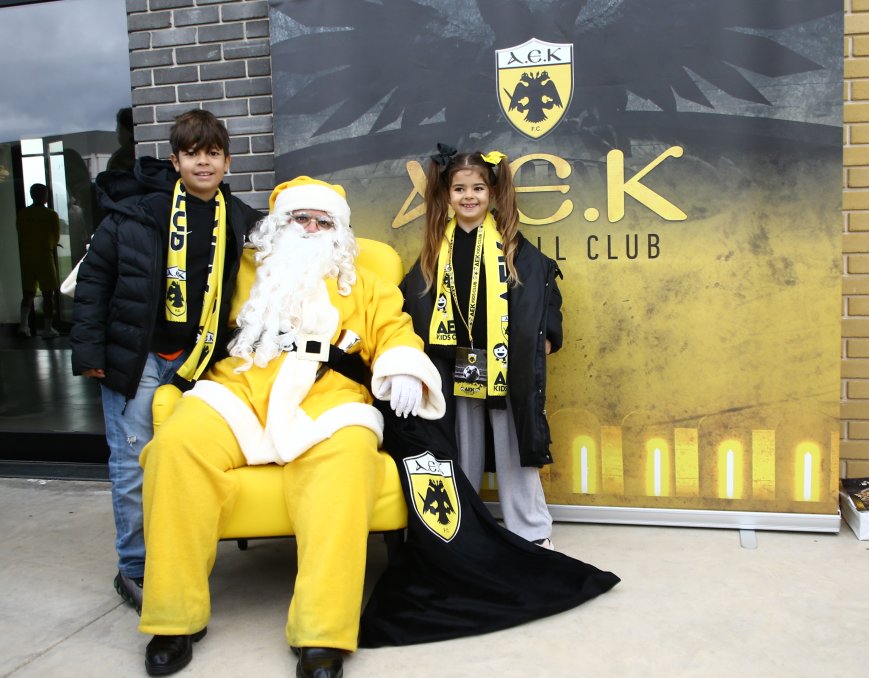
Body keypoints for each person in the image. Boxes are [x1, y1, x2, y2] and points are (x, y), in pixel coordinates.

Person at [137, 176, 445, 677]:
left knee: (347, 463)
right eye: (302, 218)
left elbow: (395, 332)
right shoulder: (240, 269)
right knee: (175, 447)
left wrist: (405, 367)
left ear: (340, 233)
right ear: (279, 225)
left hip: (328, 401)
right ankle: (174, 618)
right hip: (238, 391)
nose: (311, 229)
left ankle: (321, 632)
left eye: (324, 222)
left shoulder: (365, 284)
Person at [70, 109, 263, 615]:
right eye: (192, 154)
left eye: (213, 153)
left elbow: (288, 234)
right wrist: (89, 351)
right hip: (136, 356)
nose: (204, 163)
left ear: (227, 161)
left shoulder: (236, 216)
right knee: (133, 464)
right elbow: (94, 280)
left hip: (198, 361)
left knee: (183, 461)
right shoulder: (139, 211)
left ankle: (179, 556)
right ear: (175, 161)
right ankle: (135, 568)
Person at [400, 143, 562, 548]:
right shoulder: (435, 249)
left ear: (492, 193)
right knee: (462, 447)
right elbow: (409, 301)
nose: (468, 196)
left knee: (513, 447)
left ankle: (531, 530)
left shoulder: (511, 244)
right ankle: (466, 526)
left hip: (503, 363)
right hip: (458, 364)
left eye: (477, 188)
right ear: (447, 195)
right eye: (459, 189)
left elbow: (545, 291)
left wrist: (546, 335)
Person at [16, 183, 61, 338]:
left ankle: (24, 326)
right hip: (44, 257)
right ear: (44, 195)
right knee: (48, 293)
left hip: (27, 257)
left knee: (28, 293)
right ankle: (48, 329)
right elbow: (55, 236)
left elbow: (20, 232)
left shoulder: (23, 214)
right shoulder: (51, 215)